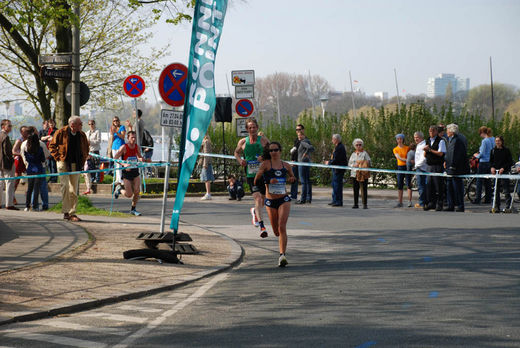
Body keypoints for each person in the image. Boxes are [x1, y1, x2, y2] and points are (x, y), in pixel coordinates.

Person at [254, 142, 296, 267]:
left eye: (276, 150)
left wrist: (292, 179)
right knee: (276, 232)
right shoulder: (266, 165)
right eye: (271, 150)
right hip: (270, 201)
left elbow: (293, 178)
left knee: (282, 226)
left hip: (284, 199)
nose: (274, 152)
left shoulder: (286, 165)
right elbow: (256, 180)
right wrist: (268, 180)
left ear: (280, 151)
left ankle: (282, 255)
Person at [234, 118, 270, 237]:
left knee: (263, 200)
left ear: (257, 127)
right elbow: (236, 153)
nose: (252, 129)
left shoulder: (263, 140)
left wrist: (263, 157)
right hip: (251, 174)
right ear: (246, 129)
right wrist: (240, 161)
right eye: (250, 127)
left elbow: (273, 152)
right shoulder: (243, 142)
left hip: (263, 173)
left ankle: (255, 211)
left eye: (254, 127)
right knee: (258, 199)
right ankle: (262, 227)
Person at [49, 115, 89, 222]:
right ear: (72, 125)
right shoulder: (61, 132)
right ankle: (66, 212)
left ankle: (73, 212)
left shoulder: (82, 135)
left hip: (76, 163)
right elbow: (52, 146)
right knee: (65, 187)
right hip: (63, 162)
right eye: (80, 123)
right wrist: (58, 158)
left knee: (74, 189)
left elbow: (86, 148)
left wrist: (83, 159)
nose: (82, 125)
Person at [113, 131, 143, 216]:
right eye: (131, 138)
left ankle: (133, 209)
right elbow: (115, 158)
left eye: (134, 138)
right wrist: (124, 164)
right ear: (128, 138)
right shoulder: (124, 147)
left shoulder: (136, 147)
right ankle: (119, 189)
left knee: (137, 191)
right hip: (126, 172)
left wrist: (142, 160)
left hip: (135, 171)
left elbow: (139, 156)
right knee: (129, 194)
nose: (133, 139)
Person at [22, 126, 50, 211]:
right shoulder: (40, 146)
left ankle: (28, 205)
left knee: (30, 188)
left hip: (30, 168)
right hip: (39, 168)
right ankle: (40, 205)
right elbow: (45, 157)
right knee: (40, 187)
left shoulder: (24, 145)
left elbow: (25, 157)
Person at [444, 123, 469, 212]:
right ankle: (451, 205)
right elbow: (449, 154)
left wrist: (453, 165)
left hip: (455, 169)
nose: (446, 131)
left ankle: (460, 205)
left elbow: (457, 155)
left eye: (447, 130)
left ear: (451, 131)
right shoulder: (450, 140)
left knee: (457, 187)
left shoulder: (457, 140)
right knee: (449, 186)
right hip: (449, 168)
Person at [423, 125, 446, 211]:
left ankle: (439, 203)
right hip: (429, 165)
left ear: (436, 132)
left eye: (433, 131)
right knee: (429, 185)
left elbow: (440, 153)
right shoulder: (427, 140)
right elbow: (425, 154)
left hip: (437, 166)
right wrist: (425, 151)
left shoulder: (441, 141)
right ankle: (431, 202)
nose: (431, 133)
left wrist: (430, 150)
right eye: (430, 131)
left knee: (438, 185)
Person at [490, 135, 513, 213]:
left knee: (506, 190)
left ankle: (508, 206)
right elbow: (491, 161)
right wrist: (492, 167)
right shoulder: (493, 150)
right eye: (496, 141)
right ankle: (496, 207)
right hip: (496, 173)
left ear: (502, 141)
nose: (497, 142)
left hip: (504, 172)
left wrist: (503, 168)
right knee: (496, 190)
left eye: (499, 141)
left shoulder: (506, 150)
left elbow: (510, 161)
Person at [473, 126, 495, 204]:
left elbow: (481, 153)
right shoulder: (493, 139)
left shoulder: (485, 141)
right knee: (487, 181)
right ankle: (488, 198)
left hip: (483, 162)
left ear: (482, 133)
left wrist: (476, 155)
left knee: (479, 181)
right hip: (490, 162)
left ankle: (478, 198)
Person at [0, 119, 18, 210]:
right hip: (6, 163)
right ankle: (9, 204)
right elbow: (7, 152)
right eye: (9, 126)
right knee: (9, 183)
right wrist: (12, 160)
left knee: (0, 183)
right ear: (3, 126)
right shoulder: (5, 137)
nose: (11, 127)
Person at [349, 138, 371, 209]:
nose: (358, 146)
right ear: (355, 146)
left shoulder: (365, 153)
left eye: (360, 145)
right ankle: (356, 203)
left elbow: (369, 162)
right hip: (354, 173)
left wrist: (360, 162)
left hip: (363, 174)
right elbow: (349, 164)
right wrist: (354, 165)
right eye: (357, 145)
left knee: (363, 189)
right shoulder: (353, 154)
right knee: (355, 189)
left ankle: (364, 204)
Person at [326, 134, 347, 207]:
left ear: (336, 140)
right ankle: (334, 200)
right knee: (334, 185)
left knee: (337, 185)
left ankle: (338, 201)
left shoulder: (340, 147)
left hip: (338, 169)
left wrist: (329, 163)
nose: (332, 140)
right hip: (335, 169)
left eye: (333, 139)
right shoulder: (337, 147)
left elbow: (336, 159)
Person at [295, 125, 314, 204]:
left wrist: (305, 153)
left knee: (303, 181)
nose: (299, 137)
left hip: (302, 163)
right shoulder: (304, 141)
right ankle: (308, 198)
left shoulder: (303, 142)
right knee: (306, 181)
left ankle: (303, 199)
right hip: (305, 162)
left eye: (300, 135)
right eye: (298, 135)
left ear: (303, 135)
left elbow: (311, 148)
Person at [393, 133, 412, 207]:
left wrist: (409, 161)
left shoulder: (407, 148)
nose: (399, 140)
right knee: (400, 185)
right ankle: (400, 202)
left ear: (403, 139)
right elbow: (399, 158)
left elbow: (411, 156)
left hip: (407, 167)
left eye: (400, 139)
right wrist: (407, 160)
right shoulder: (395, 149)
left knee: (408, 184)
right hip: (400, 167)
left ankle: (409, 201)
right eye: (398, 139)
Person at [12, 125, 30, 204]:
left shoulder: (29, 139)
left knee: (30, 178)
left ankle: (28, 194)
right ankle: (12, 197)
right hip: (19, 161)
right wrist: (22, 154)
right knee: (16, 180)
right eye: (25, 131)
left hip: (26, 161)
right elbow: (13, 151)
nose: (27, 132)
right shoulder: (19, 140)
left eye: (27, 131)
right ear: (21, 132)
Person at [83, 119, 101, 194]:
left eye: (92, 124)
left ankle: (96, 180)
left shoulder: (97, 131)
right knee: (86, 169)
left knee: (96, 167)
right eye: (90, 124)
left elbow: (98, 141)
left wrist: (90, 142)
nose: (91, 125)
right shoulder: (87, 132)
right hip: (88, 152)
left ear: (94, 124)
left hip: (95, 151)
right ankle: (88, 187)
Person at [413, 131, 428, 208]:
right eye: (415, 138)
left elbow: (423, 158)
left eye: (417, 138)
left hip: (421, 168)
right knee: (422, 186)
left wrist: (417, 165)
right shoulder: (419, 145)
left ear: (421, 138)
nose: (416, 139)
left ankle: (422, 203)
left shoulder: (423, 145)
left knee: (421, 186)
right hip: (420, 168)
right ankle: (423, 202)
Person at [110, 116, 126, 185]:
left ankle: (120, 179)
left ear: (119, 121)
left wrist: (116, 132)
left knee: (119, 162)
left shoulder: (122, 127)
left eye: (116, 120)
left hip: (120, 146)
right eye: (114, 121)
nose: (115, 122)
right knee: (115, 163)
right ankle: (117, 178)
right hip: (114, 146)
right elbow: (112, 139)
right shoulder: (113, 128)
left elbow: (122, 136)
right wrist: (112, 133)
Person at [199, 134, 215, 200]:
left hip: (206, 163)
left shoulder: (206, 142)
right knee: (206, 179)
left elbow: (206, 153)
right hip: (206, 163)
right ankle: (207, 193)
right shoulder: (204, 142)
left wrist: (205, 164)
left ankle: (208, 193)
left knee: (207, 179)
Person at [289, 124, 303, 200]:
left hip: (301, 162)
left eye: (299, 129)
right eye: (297, 130)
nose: (298, 131)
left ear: (303, 130)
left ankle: (306, 196)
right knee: (294, 178)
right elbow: (294, 151)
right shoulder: (296, 140)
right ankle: (293, 195)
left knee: (303, 180)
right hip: (295, 162)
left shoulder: (305, 140)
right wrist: (292, 160)